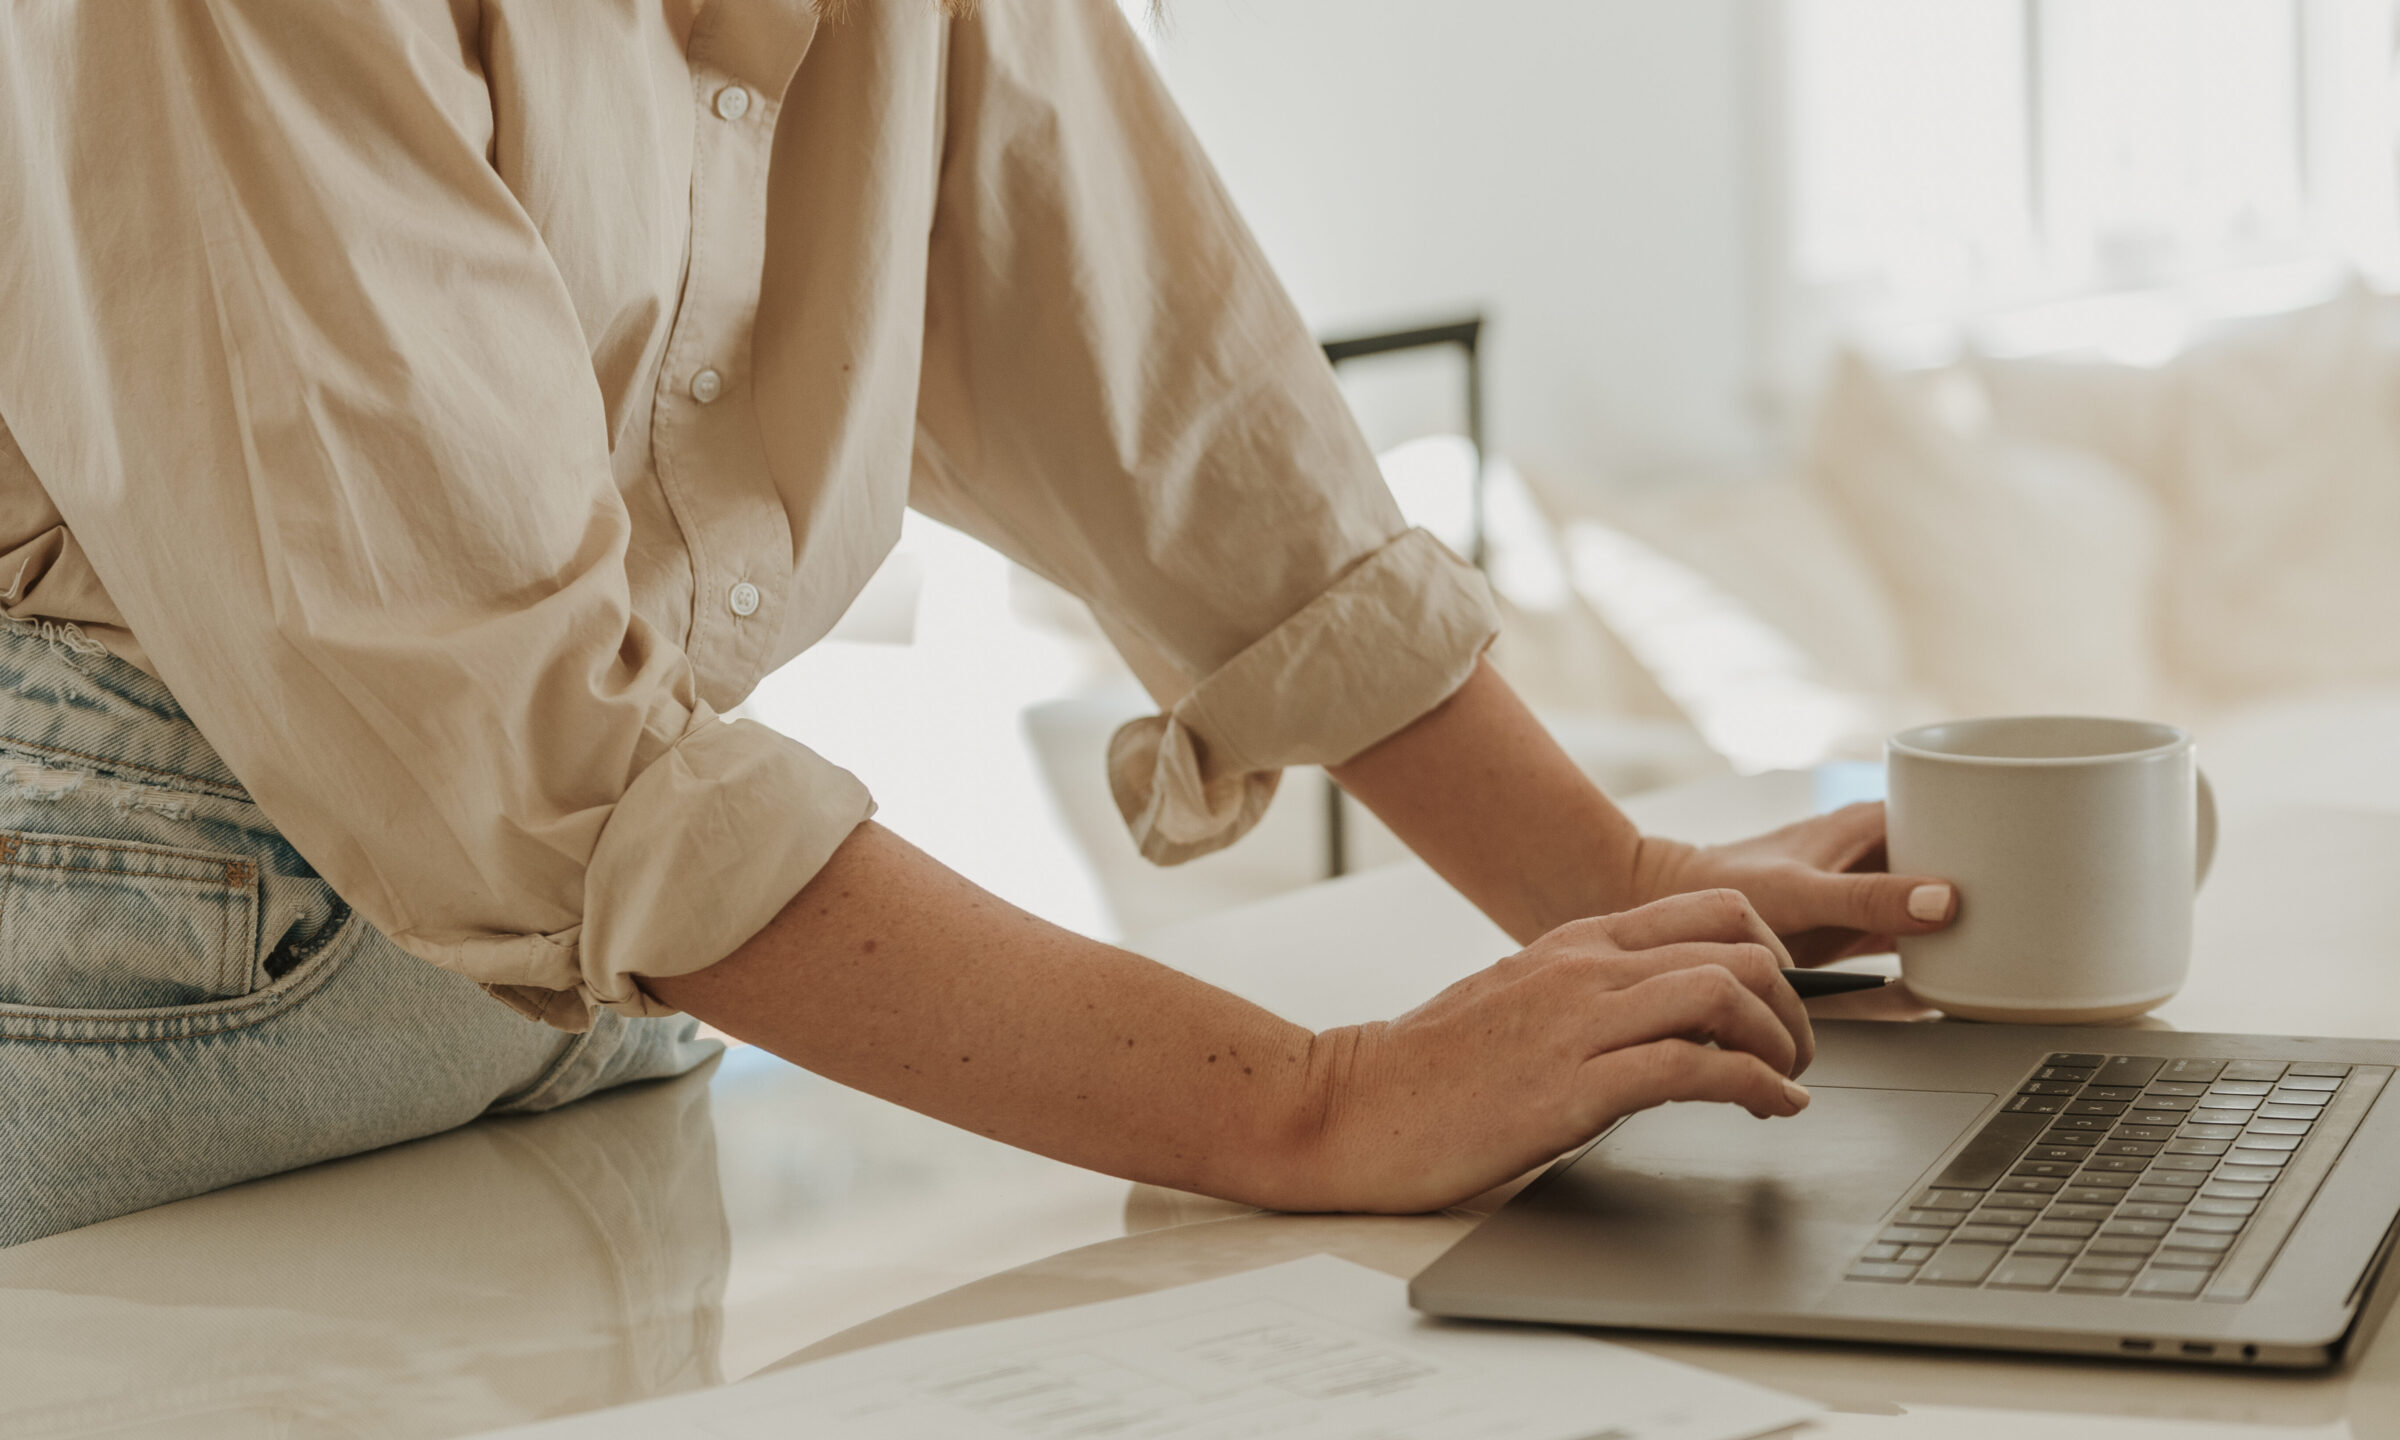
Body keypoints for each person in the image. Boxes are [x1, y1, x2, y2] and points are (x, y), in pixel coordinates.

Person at [0, 0, 1954, 1246]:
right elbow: (509, 727)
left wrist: (1610, 885)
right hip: (134, 972)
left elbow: (1188, 409)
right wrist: (1312, 1101)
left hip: (598, 979)